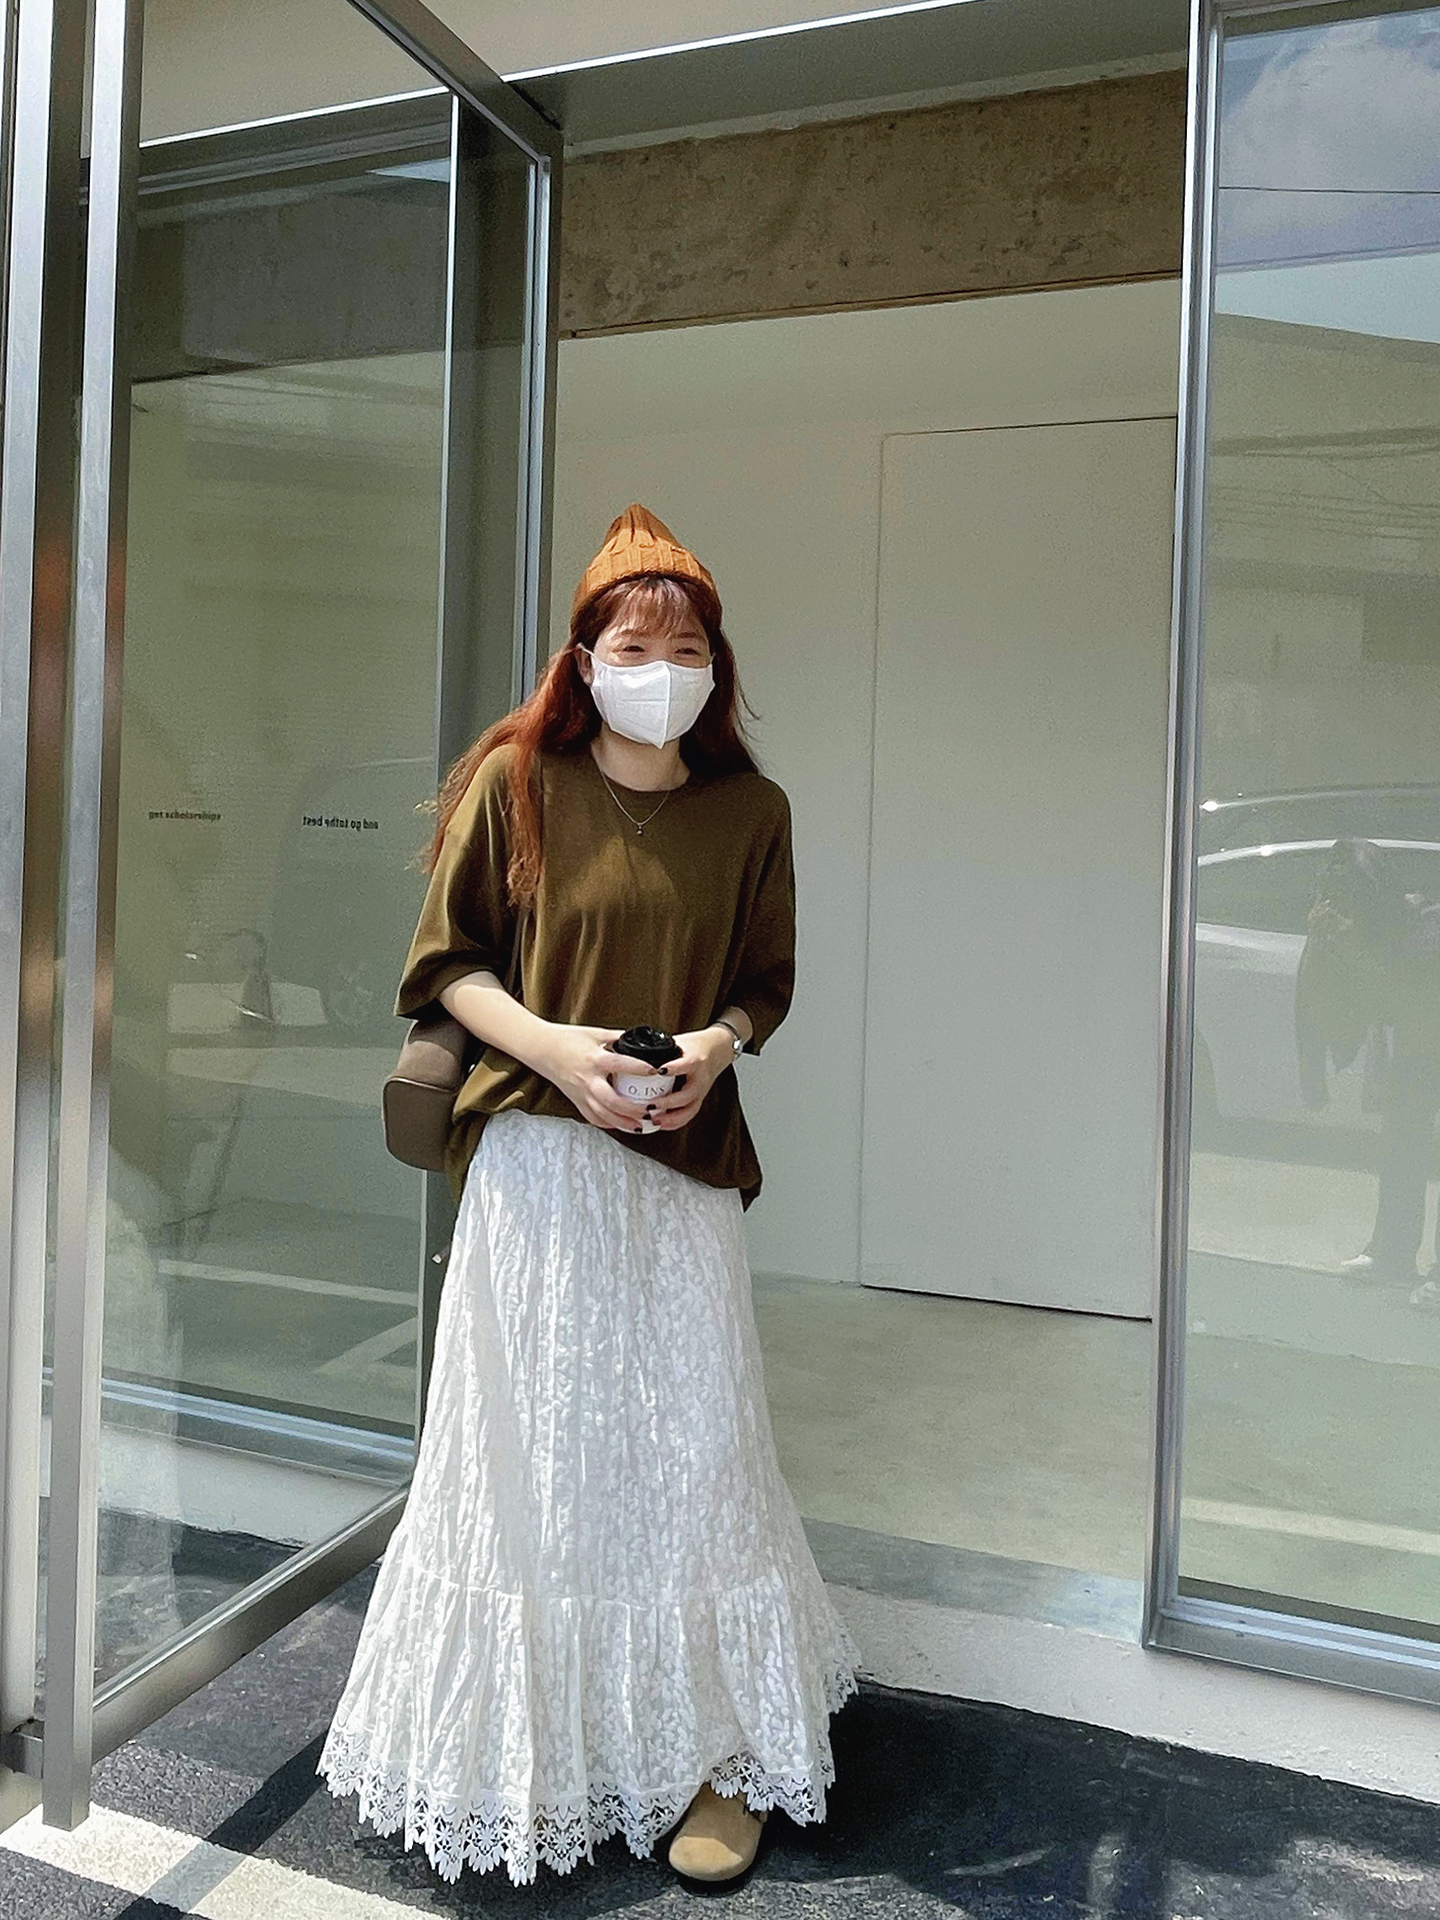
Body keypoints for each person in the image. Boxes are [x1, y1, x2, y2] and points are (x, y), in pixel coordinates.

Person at [317, 505, 861, 1886]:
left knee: (698, 1459)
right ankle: (534, 1750)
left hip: (679, 1173)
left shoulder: (752, 812)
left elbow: (766, 983)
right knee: (535, 1468)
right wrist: (560, 1052)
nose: (658, 669)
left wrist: (712, 1049)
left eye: (684, 648)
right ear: (583, 658)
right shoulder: (517, 782)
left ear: (715, 668)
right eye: (633, 645)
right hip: (539, 1174)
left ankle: (719, 1754)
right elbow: (447, 964)